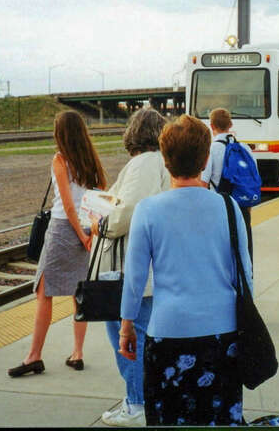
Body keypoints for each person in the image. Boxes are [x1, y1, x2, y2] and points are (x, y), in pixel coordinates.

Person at [119, 114, 253, 426]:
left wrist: (127, 325)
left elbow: (135, 279)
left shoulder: (148, 210)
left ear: (166, 161)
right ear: (205, 160)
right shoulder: (228, 207)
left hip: (168, 332)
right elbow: (245, 274)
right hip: (223, 333)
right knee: (218, 418)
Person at [9, 111, 107, 377]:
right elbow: (101, 195)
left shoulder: (60, 159)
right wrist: (90, 232)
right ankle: (78, 353)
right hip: (86, 227)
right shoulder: (91, 160)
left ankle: (34, 356)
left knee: (44, 292)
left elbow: (66, 203)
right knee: (79, 294)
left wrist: (81, 235)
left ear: (60, 133)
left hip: (63, 230)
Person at [92, 109, 171, 427]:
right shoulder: (160, 163)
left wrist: (100, 222)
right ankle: (141, 400)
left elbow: (127, 212)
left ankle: (137, 404)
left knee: (129, 337)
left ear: (134, 132)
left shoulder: (144, 163)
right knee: (141, 335)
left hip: (126, 267)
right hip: (146, 266)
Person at [200, 107, 255, 261]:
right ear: (230, 125)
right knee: (244, 252)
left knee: (221, 255)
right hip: (242, 207)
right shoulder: (245, 148)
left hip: (219, 207)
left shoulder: (211, 150)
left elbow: (203, 184)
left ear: (212, 126)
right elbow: (252, 180)